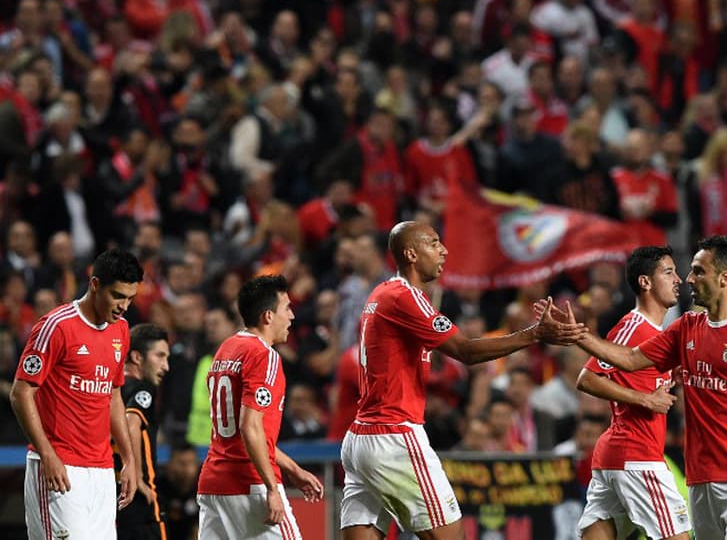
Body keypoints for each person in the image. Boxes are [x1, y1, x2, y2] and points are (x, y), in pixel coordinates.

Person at [548, 236, 727, 540]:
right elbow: (631, 358)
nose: (688, 279)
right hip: (699, 478)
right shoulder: (687, 326)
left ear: (725, 278)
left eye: (698, 271)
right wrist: (578, 335)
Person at [340, 220, 579, 539]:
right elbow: (465, 351)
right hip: (394, 436)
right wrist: (534, 334)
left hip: (361, 439)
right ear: (411, 253)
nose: (444, 250)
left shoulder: (383, 293)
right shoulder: (403, 296)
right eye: (434, 243)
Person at [10, 248, 144, 538]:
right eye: (118, 296)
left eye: (130, 298)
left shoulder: (120, 330)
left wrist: (130, 461)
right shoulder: (56, 326)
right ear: (95, 285)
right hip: (59, 468)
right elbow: (20, 393)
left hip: (102, 471)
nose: (124, 306)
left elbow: (114, 397)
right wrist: (47, 454)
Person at [573, 246, 690, 540]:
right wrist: (645, 399)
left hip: (619, 457)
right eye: (668, 272)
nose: (678, 279)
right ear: (645, 282)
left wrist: (665, 379)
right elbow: (587, 378)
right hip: (636, 455)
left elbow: (638, 379)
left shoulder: (657, 334)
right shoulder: (633, 326)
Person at [196, 275, 324, 539]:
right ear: (268, 316)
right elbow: (249, 427)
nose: (291, 316)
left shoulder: (226, 349)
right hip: (248, 482)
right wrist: (272, 488)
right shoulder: (264, 356)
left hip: (213, 484)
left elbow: (252, 432)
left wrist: (294, 470)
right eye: (287, 308)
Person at [116, 323, 171, 540]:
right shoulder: (143, 389)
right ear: (137, 358)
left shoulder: (113, 389)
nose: (166, 366)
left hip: (115, 495)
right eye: (160, 356)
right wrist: (137, 477)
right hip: (141, 498)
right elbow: (131, 425)